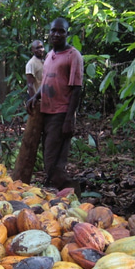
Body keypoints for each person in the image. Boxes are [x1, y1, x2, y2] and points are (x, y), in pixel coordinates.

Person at [25, 18, 83, 192]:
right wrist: (35, 96)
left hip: (61, 112)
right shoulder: (50, 55)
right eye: (53, 31)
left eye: (61, 31)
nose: (56, 34)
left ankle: (68, 191)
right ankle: (58, 190)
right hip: (46, 112)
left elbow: (77, 88)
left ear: (67, 33)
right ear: (49, 33)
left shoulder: (73, 56)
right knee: (50, 157)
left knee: (54, 159)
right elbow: (46, 82)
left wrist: (69, 119)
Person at [11, 39, 46, 184]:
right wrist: (33, 100)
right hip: (37, 101)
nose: (40, 50)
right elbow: (30, 84)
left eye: (42, 47)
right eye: (37, 48)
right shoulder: (31, 64)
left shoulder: (45, 61)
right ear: (32, 50)